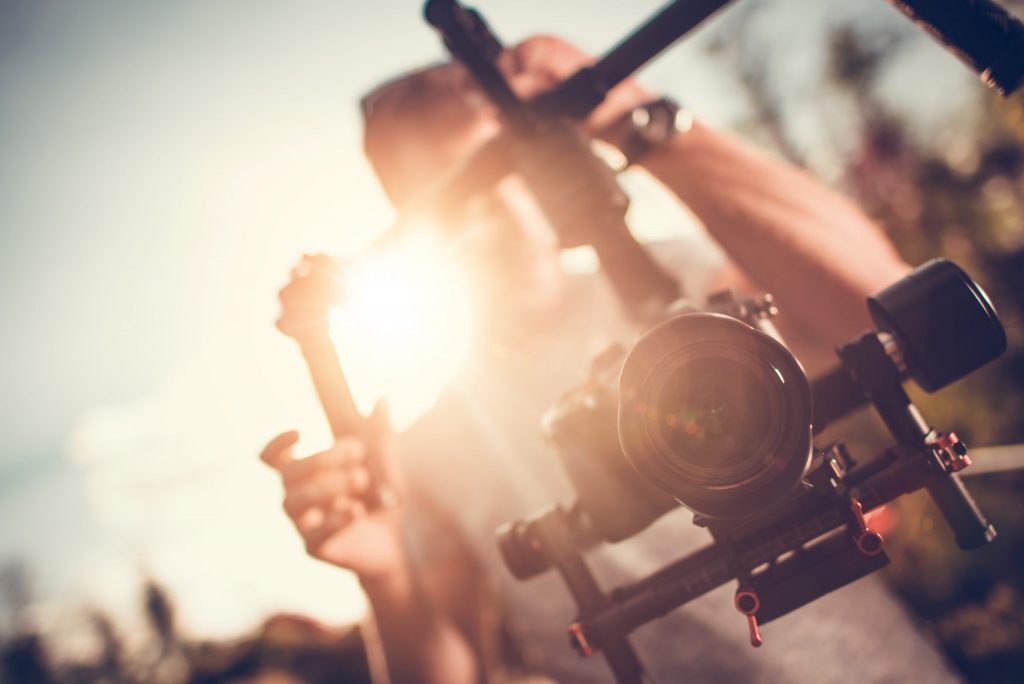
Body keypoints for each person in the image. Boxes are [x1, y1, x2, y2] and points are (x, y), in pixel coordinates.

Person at [261, 36, 959, 684]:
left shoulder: (688, 280)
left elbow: (908, 311)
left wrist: (634, 116)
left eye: (496, 167)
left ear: (544, 160)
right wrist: (386, 579)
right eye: (445, 203)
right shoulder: (435, 452)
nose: (487, 218)